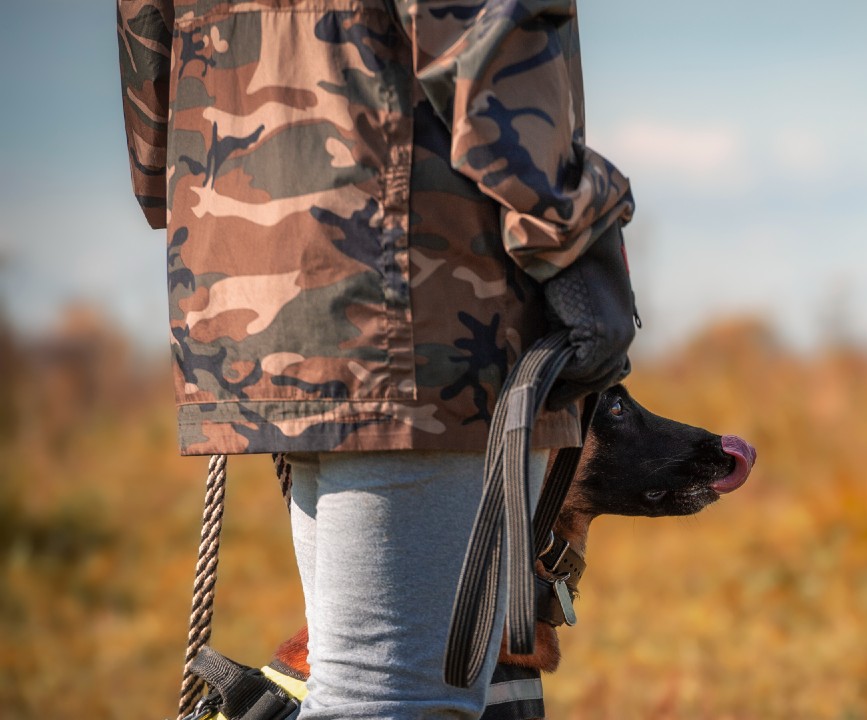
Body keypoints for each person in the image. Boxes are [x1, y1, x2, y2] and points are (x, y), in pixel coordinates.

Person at [117, 1, 637, 717]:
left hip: (239, 249)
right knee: (394, 696)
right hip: (423, 283)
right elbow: (485, 26)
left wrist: (195, 198)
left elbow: (149, 55)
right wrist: (571, 234)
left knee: (356, 682)